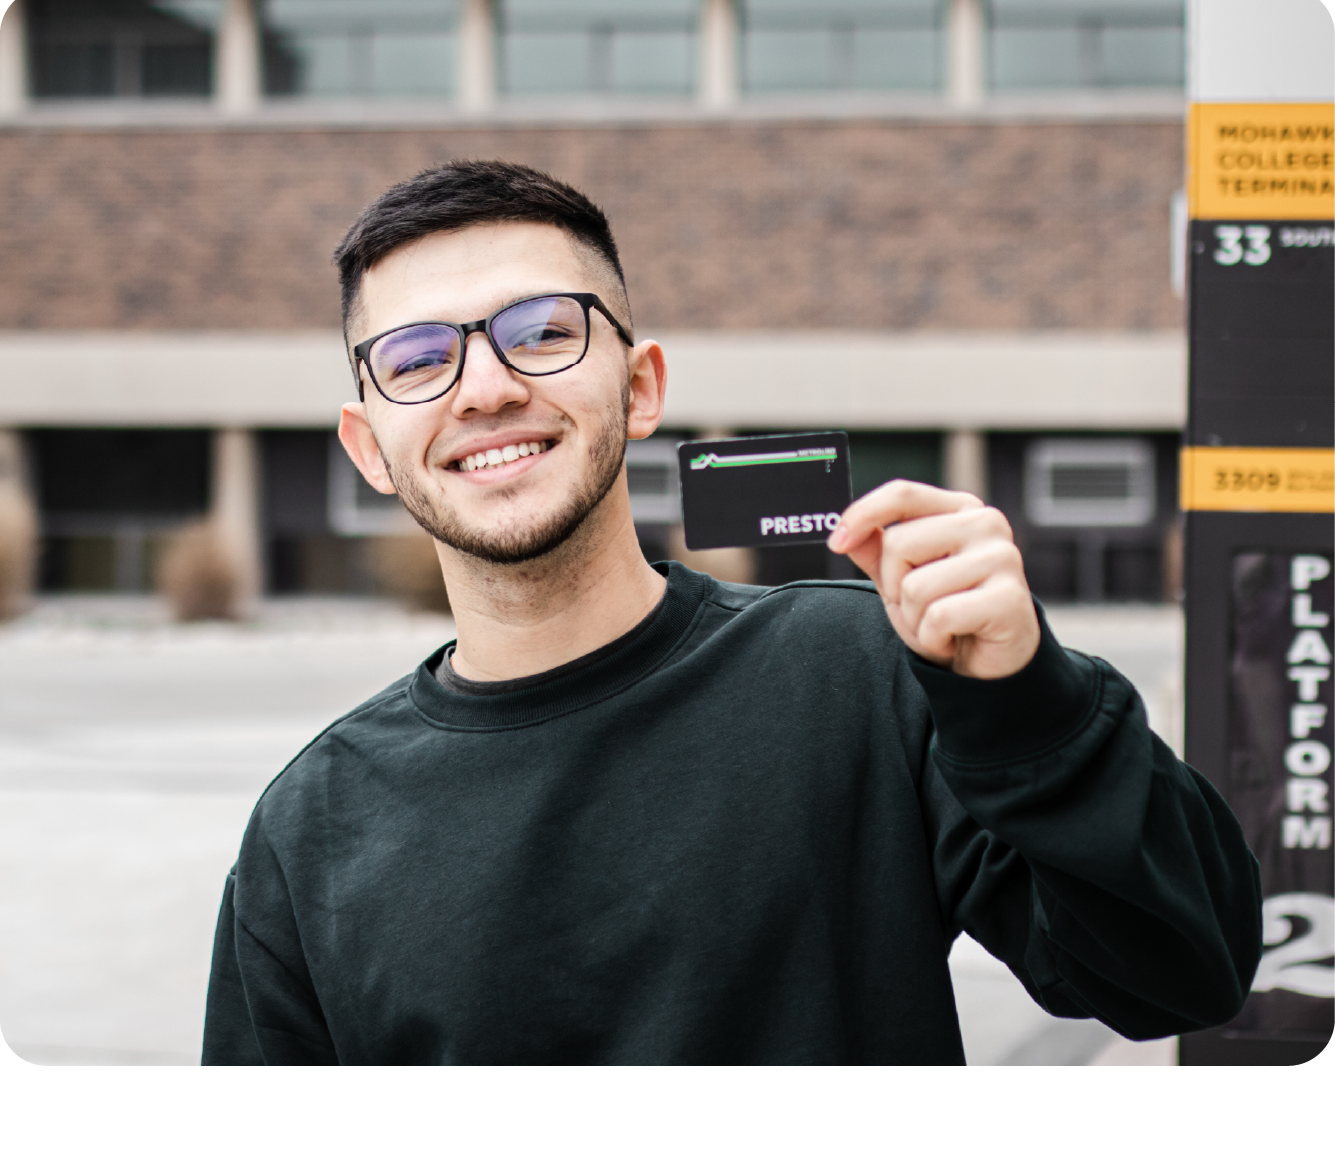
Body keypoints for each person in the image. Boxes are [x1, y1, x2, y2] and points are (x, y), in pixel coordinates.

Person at [202, 160, 1261, 1065]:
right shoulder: (308, 834)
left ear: (641, 384)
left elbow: (1186, 972)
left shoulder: (862, 674)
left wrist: (1032, 702)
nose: (484, 387)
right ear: (366, 443)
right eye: (419, 357)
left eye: (541, 330)